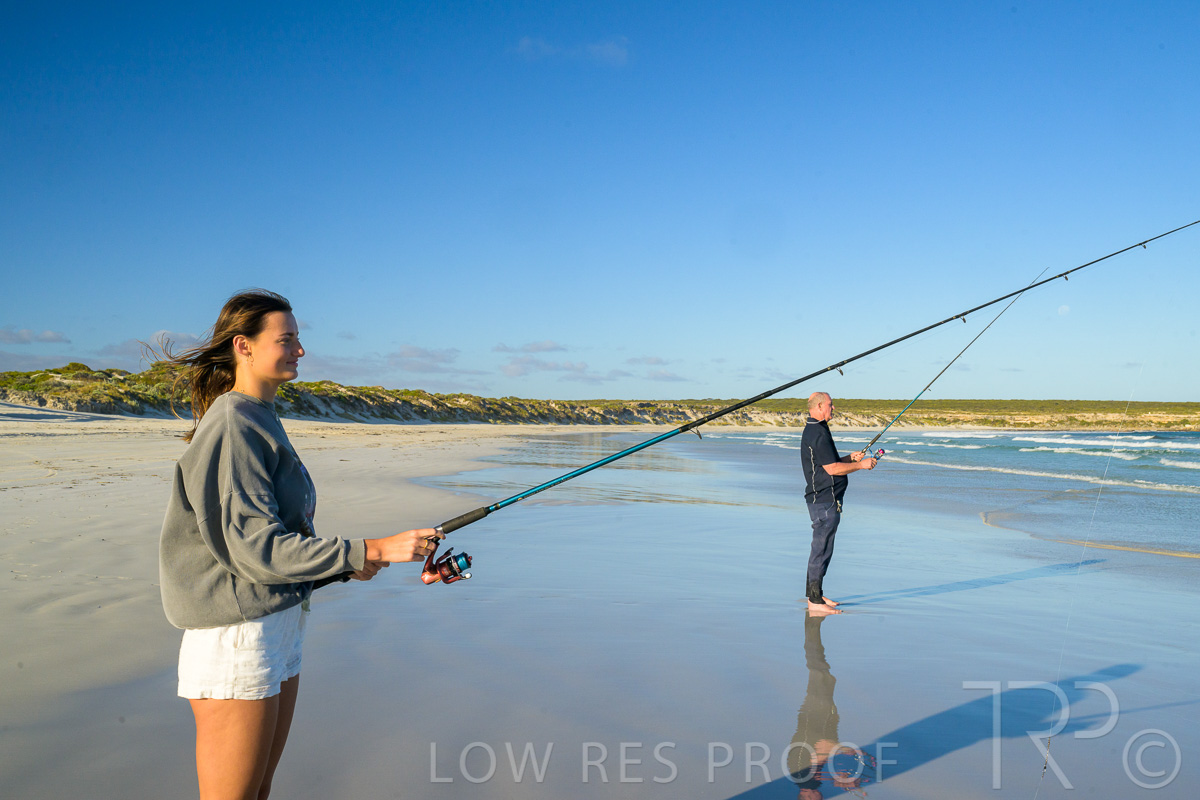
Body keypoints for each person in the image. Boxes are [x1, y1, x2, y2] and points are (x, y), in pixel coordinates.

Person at [157, 289, 440, 800]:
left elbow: (278, 539)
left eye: (298, 338)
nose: (300, 350)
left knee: (259, 789)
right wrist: (370, 550)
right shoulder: (233, 422)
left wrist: (344, 566)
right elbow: (255, 548)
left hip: (275, 621)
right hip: (237, 634)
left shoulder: (258, 415)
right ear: (243, 345)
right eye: (286, 339)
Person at [800, 392, 876, 614]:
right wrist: (861, 465)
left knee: (824, 549)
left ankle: (815, 594)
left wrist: (849, 459)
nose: (833, 408)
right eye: (831, 405)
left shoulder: (817, 428)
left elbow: (828, 463)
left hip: (825, 498)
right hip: (823, 500)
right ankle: (814, 601)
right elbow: (832, 469)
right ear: (820, 406)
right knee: (821, 549)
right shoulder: (817, 432)